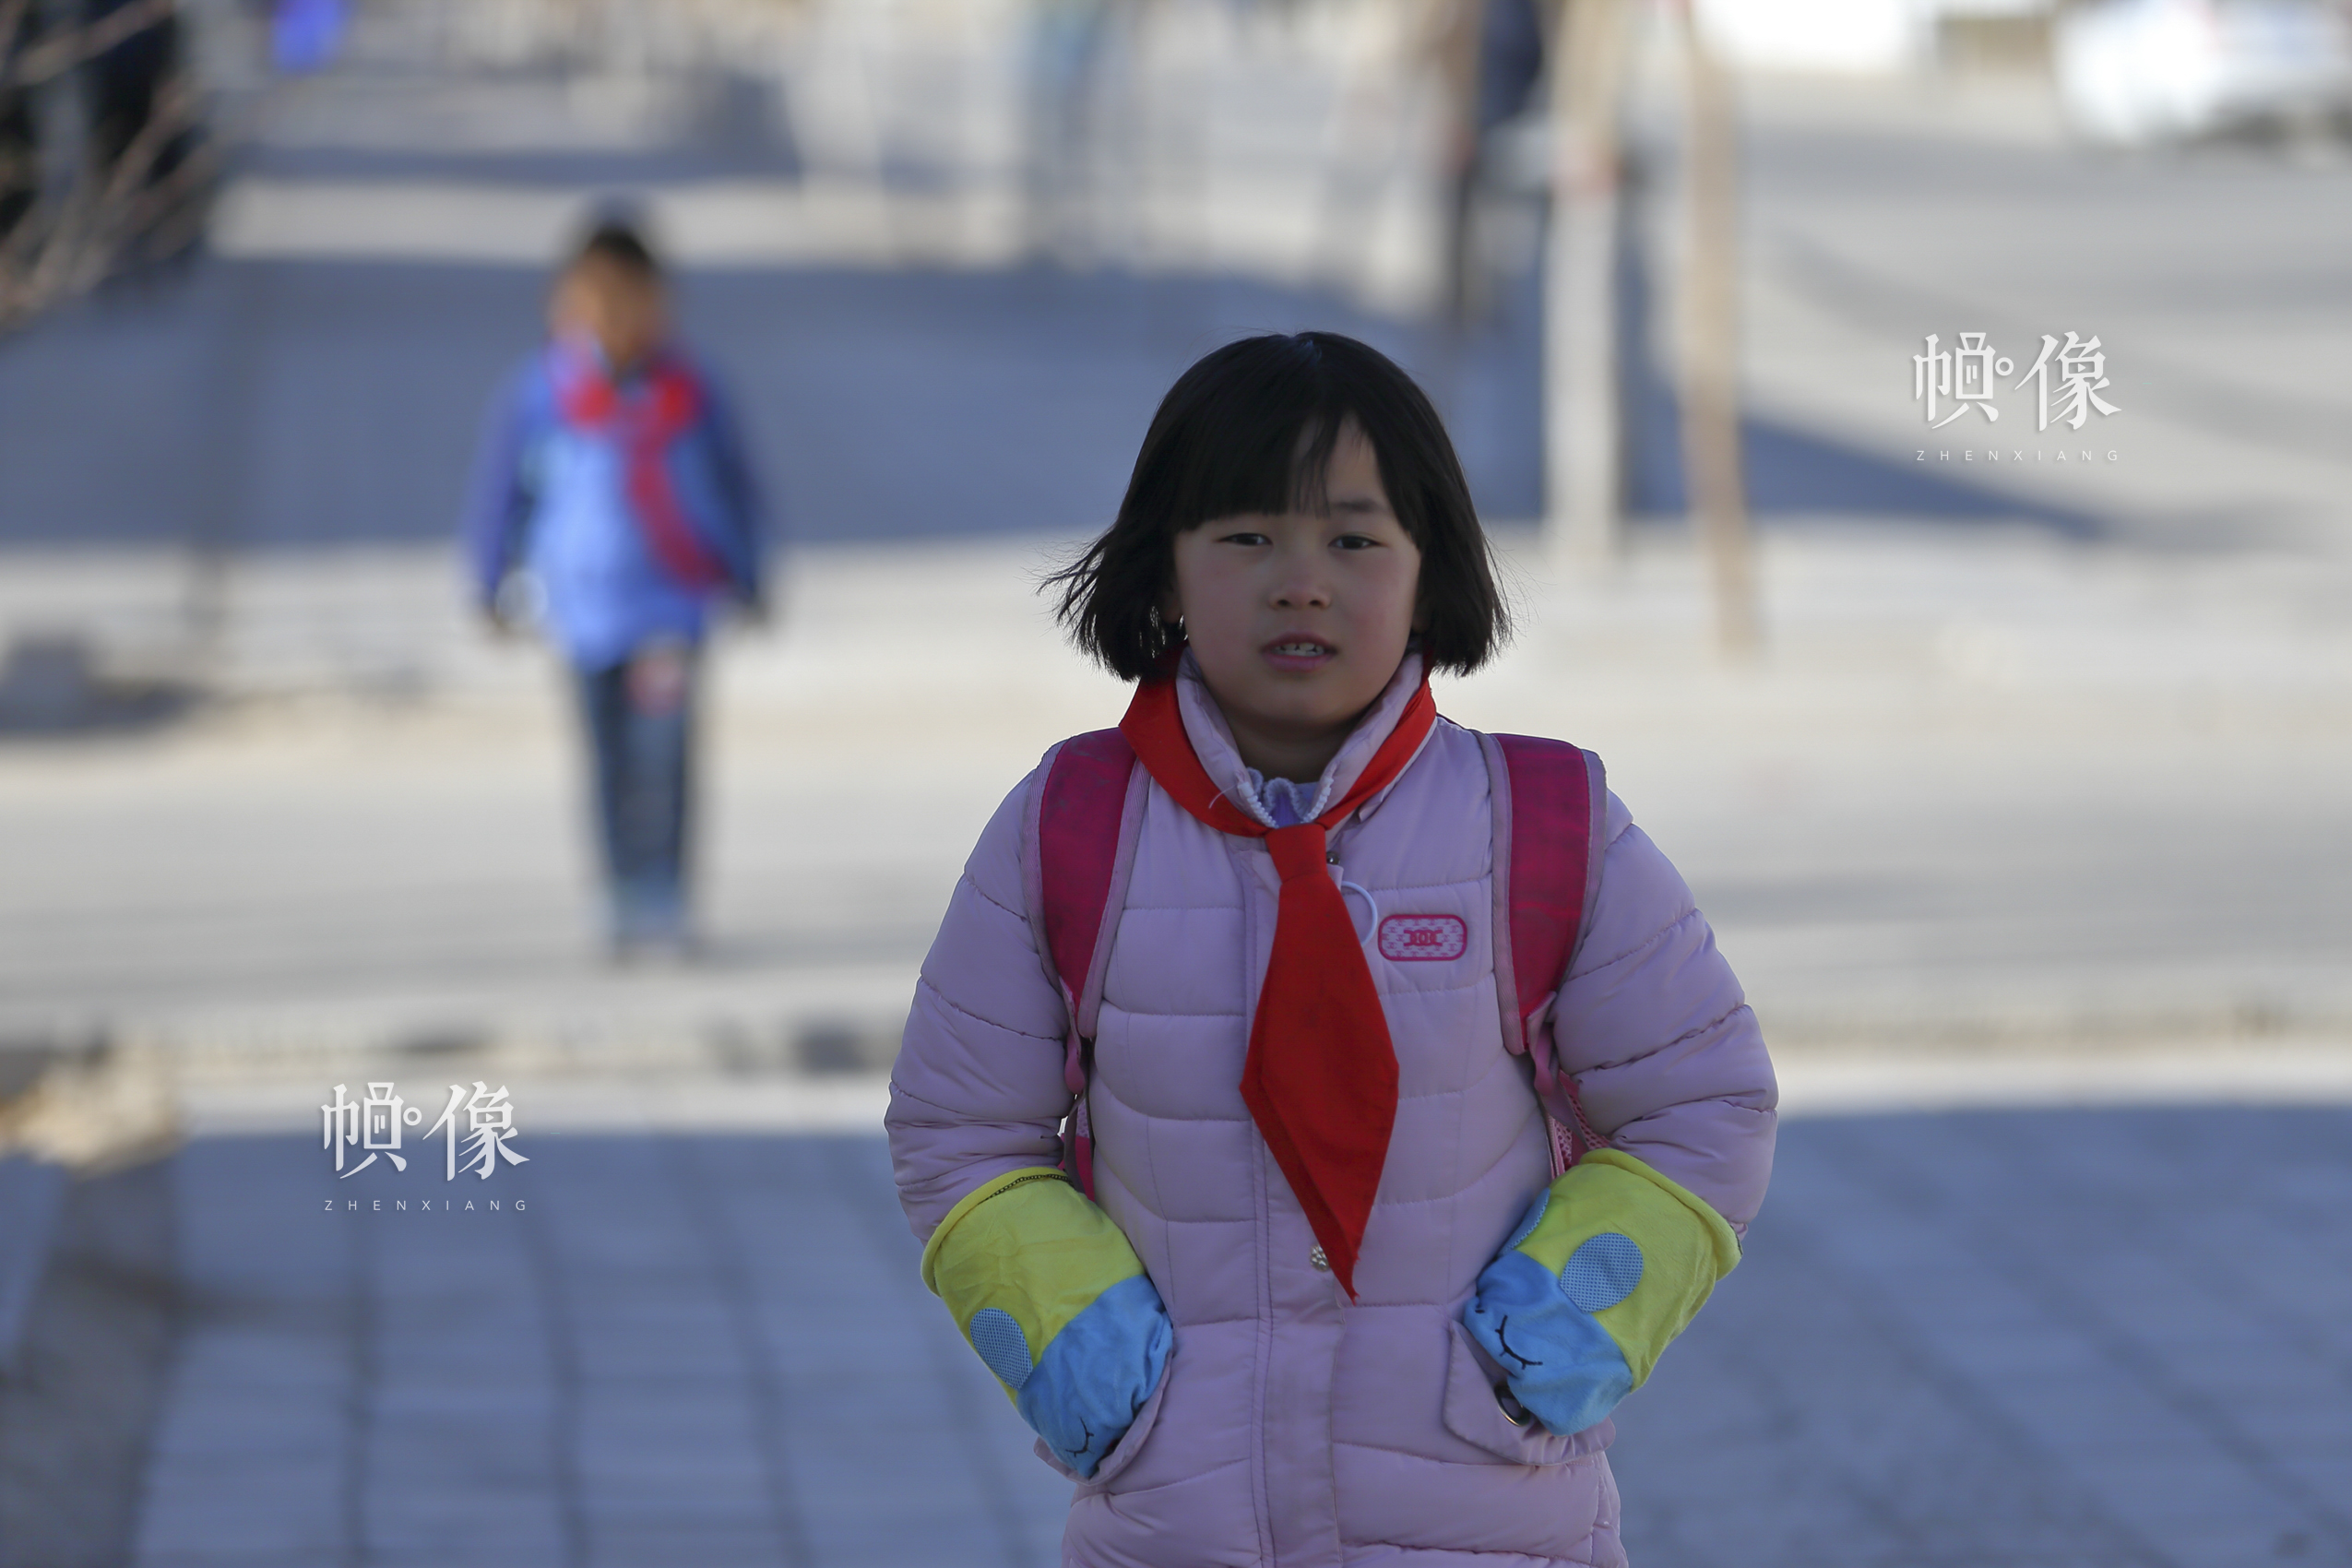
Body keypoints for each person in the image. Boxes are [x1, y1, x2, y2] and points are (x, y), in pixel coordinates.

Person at [885, 331, 1775, 1567]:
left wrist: (1536, 1355)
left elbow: (1703, 1100)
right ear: (1165, 570)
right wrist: (1100, 1380)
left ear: (1429, 572)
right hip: (1174, 1522)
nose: (1299, 582)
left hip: (1488, 1518)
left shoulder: (1542, 825)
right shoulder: (1069, 828)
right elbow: (957, 1127)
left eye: (1354, 540)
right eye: (1246, 536)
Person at [462, 220, 765, 957]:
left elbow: (737, 482)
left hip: (669, 607)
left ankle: (667, 893)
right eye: (597, 302)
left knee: (665, 758)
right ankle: (617, 893)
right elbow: (501, 489)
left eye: (634, 301)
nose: (616, 319)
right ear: (565, 306)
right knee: (605, 760)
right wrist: (487, 576)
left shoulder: (691, 390)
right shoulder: (544, 392)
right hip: (584, 610)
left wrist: (751, 570)